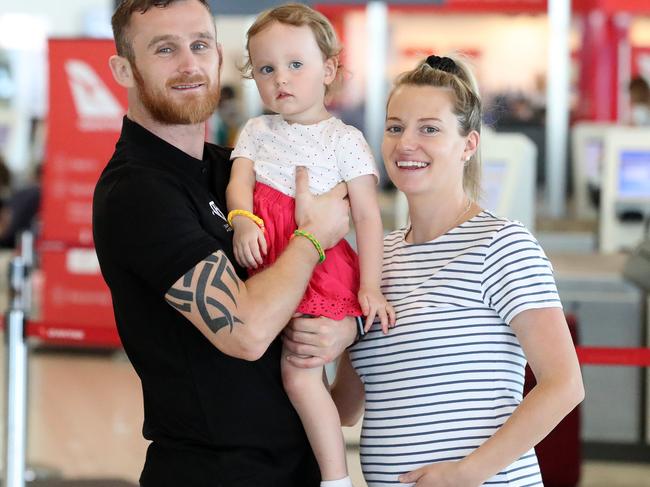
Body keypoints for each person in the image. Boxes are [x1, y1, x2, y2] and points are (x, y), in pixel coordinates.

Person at [92, 1, 358, 486]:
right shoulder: (138, 190)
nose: (189, 65)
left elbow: (323, 280)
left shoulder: (231, 168)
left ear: (218, 55)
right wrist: (311, 239)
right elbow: (247, 332)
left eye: (199, 45)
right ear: (124, 69)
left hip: (296, 466)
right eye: (165, 49)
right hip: (215, 472)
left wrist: (342, 330)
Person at [329, 55, 585, 486]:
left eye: (429, 128)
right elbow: (347, 406)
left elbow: (564, 384)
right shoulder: (375, 259)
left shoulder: (501, 244)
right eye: (395, 127)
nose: (405, 142)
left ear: (468, 143)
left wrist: (467, 473)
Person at [226, 5, 395, 487]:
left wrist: (371, 288)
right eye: (266, 68)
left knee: (299, 372)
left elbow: (366, 216)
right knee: (283, 376)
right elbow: (239, 185)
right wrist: (241, 221)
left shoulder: (346, 140)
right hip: (269, 265)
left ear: (329, 69)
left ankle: (336, 477)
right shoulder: (256, 132)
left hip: (320, 266)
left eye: (295, 64)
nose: (281, 78)